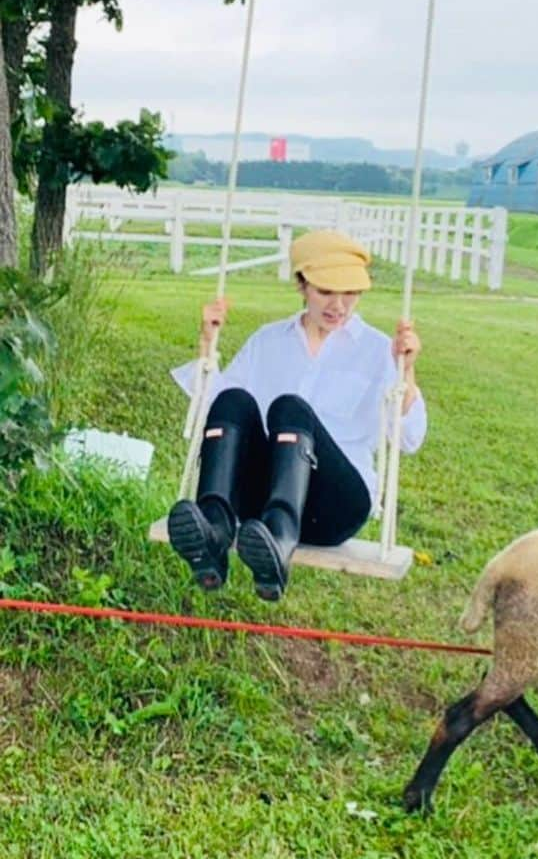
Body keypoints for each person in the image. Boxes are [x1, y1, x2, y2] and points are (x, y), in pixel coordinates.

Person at [167, 230, 425, 601]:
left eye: (350, 293)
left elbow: (410, 438)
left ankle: (279, 543)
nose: (339, 305)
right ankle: (215, 529)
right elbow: (217, 415)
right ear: (302, 285)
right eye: (325, 292)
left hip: (333, 506)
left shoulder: (379, 350)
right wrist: (207, 344)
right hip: (262, 503)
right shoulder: (268, 340)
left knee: (290, 409)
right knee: (233, 399)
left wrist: (408, 372)